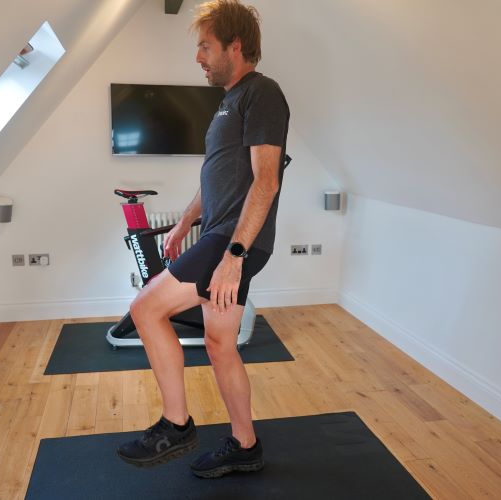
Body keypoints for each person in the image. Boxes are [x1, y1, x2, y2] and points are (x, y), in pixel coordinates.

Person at [117, 0, 289, 479]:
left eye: (205, 46)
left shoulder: (263, 93)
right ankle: (245, 445)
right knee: (219, 344)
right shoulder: (228, 103)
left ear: (235, 46)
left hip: (232, 240)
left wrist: (234, 255)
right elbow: (216, 177)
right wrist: (183, 221)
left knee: (147, 308)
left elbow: (266, 180)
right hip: (220, 233)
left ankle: (175, 424)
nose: (199, 57)